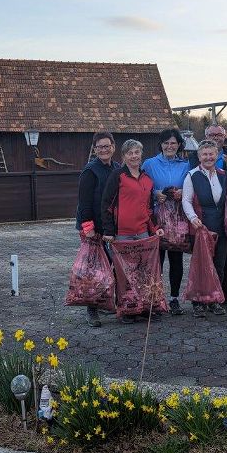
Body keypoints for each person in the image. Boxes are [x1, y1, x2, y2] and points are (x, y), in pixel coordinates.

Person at [100, 139, 165, 323]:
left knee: (143, 271)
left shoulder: (147, 178)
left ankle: (144, 307)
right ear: (124, 156)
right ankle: (127, 310)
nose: (134, 156)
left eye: (137, 152)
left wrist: (156, 228)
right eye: (130, 153)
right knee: (125, 274)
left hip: (143, 233)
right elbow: (106, 204)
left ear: (141, 154)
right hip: (122, 234)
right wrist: (109, 231)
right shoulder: (117, 176)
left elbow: (149, 208)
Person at [141, 129, 191, 316]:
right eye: (166, 143)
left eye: (173, 143)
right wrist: (155, 194)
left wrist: (181, 193)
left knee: (176, 260)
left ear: (179, 145)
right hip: (157, 220)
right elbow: (142, 187)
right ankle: (156, 298)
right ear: (160, 144)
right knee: (157, 260)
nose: (169, 146)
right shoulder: (149, 164)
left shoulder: (185, 165)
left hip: (177, 220)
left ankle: (174, 298)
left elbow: (190, 189)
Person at [75, 132, 119, 327]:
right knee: (93, 270)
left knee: (111, 267)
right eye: (100, 147)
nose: (104, 150)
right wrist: (88, 228)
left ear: (113, 147)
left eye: (107, 146)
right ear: (94, 149)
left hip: (110, 227)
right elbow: (84, 203)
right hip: (93, 228)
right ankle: (92, 310)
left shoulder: (117, 168)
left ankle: (106, 303)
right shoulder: (90, 171)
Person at [182, 140, 227, 317]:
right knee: (201, 266)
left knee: (219, 265)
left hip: (221, 226)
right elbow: (186, 200)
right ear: (199, 156)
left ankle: (215, 300)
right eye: (204, 154)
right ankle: (198, 302)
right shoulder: (192, 175)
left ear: (216, 155)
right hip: (201, 227)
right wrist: (193, 218)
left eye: (211, 154)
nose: (208, 157)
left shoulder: (224, 174)